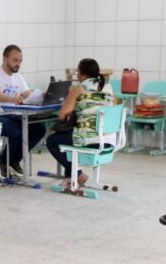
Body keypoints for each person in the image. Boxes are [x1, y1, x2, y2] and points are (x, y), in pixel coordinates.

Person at [45, 58, 114, 187]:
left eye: (78, 72)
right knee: (69, 136)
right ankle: (70, 176)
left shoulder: (80, 89)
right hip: (109, 138)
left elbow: (62, 115)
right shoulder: (108, 88)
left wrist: (72, 101)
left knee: (52, 141)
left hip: (90, 139)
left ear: (82, 74)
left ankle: (77, 175)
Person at [0, 44, 46, 177]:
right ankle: (4, 162)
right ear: (5, 59)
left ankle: (14, 160)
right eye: (15, 60)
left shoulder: (18, 77)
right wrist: (12, 99)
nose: (18, 64)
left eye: (20, 61)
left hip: (11, 116)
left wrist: (43, 96)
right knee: (17, 131)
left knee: (39, 129)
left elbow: (28, 95)